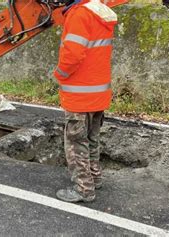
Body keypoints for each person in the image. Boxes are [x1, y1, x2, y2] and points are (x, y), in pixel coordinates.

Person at [53, 0, 117, 202]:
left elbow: (72, 54)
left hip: (79, 95)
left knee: (76, 143)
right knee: (91, 139)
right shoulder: (100, 13)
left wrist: (60, 74)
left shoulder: (79, 14)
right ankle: (95, 178)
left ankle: (83, 189)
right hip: (98, 94)